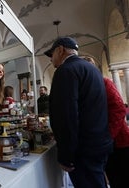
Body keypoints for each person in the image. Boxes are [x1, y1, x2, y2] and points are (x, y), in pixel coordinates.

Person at [45, 37, 113, 188]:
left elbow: (67, 116)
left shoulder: (65, 71)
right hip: (99, 144)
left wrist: (66, 156)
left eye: (52, 55)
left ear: (60, 50)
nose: (51, 59)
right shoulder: (92, 69)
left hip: (83, 150)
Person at [84, 56, 129, 188]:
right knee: (113, 176)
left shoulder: (105, 82)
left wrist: (107, 135)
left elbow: (119, 109)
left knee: (124, 178)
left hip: (119, 141)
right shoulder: (86, 88)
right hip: (105, 144)